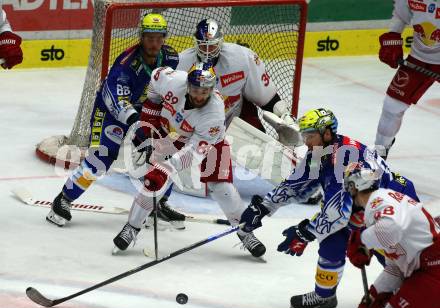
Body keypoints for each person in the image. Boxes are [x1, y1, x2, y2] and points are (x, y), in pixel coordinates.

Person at [238, 108, 421, 308]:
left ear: (327, 133)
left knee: (390, 252)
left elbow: (337, 215)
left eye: (310, 136)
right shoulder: (320, 152)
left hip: (394, 205)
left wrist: (304, 232)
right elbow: (297, 184)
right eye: (304, 136)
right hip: (362, 206)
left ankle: (410, 291)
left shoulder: (344, 158)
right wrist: (264, 206)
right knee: (332, 239)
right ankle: (324, 297)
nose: (306, 141)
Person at [156, 18, 319, 229]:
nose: (207, 51)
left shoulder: (241, 58)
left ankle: (302, 184)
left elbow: (268, 98)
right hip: (196, 131)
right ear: (195, 43)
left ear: (221, 42)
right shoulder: (180, 64)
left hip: (234, 121)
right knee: (200, 186)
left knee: (261, 151)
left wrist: (284, 118)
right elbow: (165, 103)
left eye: (212, 45)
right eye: (203, 45)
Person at [112, 62, 266, 258]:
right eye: (195, 89)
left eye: (205, 91)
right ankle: (131, 228)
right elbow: (154, 85)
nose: (199, 96)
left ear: (212, 89)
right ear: (187, 84)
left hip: (208, 144)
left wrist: (167, 167)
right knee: (152, 185)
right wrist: (150, 120)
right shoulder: (171, 80)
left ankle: (245, 232)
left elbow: (194, 152)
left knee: (221, 188)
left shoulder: (214, 114)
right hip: (170, 134)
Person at [46, 13, 179, 227]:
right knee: (101, 158)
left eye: (158, 38)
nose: (154, 43)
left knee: (165, 152)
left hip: (144, 111)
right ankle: (63, 201)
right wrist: (141, 131)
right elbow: (119, 103)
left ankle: (159, 203)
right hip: (110, 112)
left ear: (164, 37)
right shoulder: (125, 65)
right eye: (149, 38)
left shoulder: (171, 57)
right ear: (141, 37)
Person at [344, 161, 440, 308]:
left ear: (354, 186)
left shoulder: (378, 200)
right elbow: (396, 265)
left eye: (349, 186)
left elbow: (391, 230)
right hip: (423, 265)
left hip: (431, 267)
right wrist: (376, 292)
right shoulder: (381, 195)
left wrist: (363, 240)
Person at [375, 0, 440, 159]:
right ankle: (378, 156)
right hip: (418, 58)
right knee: (392, 105)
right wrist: (393, 36)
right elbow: (400, 16)